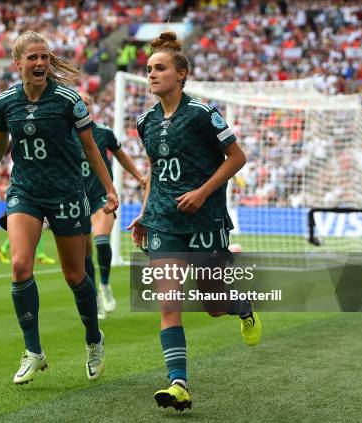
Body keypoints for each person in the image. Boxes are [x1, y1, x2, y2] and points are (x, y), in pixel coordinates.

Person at [127, 31, 261, 411]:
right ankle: (178, 384)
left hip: (205, 221)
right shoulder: (145, 122)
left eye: (160, 68)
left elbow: (237, 158)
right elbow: (155, 171)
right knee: (169, 303)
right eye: (149, 68)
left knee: (214, 304)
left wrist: (202, 192)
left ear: (181, 73)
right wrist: (144, 213)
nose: (152, 74)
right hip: (164, 222)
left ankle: (243, 308)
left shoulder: (203, 114)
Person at [0, 31, 119, 385]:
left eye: (44, 57)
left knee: (74, 275)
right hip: (25, 191)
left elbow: (91, 150)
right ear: (18, 63)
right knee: (20, 266)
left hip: (67, 193)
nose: (40, 63)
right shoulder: (7, 102)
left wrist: (110, 188)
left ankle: (93, 339)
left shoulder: (69, 100)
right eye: (33, 58)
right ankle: (34, 352)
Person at [75, 92, 146, 319]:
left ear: (92, 106)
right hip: (76, 200)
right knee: (84, 254)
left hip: (101, 197)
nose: (83, 105)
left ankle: (104, 285)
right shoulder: (65, 133)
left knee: (102, 241)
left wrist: (138, 176)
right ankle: (93, 297)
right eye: (79, 102)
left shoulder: (103, 132)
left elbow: (121, 156)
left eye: (87, 101)